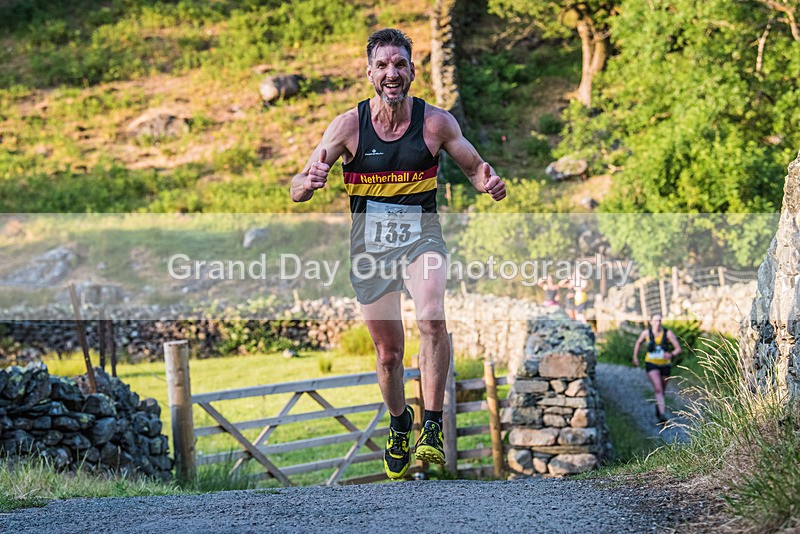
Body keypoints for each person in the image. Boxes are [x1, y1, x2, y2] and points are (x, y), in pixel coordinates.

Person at [290, 28, 506, 480]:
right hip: (369, 249)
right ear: (370, 73)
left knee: (431, 318)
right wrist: (306, 185)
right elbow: (299, 184)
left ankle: (430, 427)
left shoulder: (436, 124)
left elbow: (474, 167)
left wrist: (488, 183)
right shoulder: (348, 126)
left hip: (421, 239)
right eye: (383, 65)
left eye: (400, 64)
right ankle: (399, 423)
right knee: (388, 353)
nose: (392, 72)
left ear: (412, 71)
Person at [632, 313, 682, 423]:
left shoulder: (667, 333)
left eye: (659, 320)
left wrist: (671, 354)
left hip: (665, 364)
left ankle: (659, 408)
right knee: (658, 389)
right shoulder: (646, 333)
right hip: (651, 363)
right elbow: (638, 343)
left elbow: (678, 348)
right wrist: (635, 357)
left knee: (662, 390)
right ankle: (663, 414)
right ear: (651, 322)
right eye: (655, 320)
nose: (658, 323)